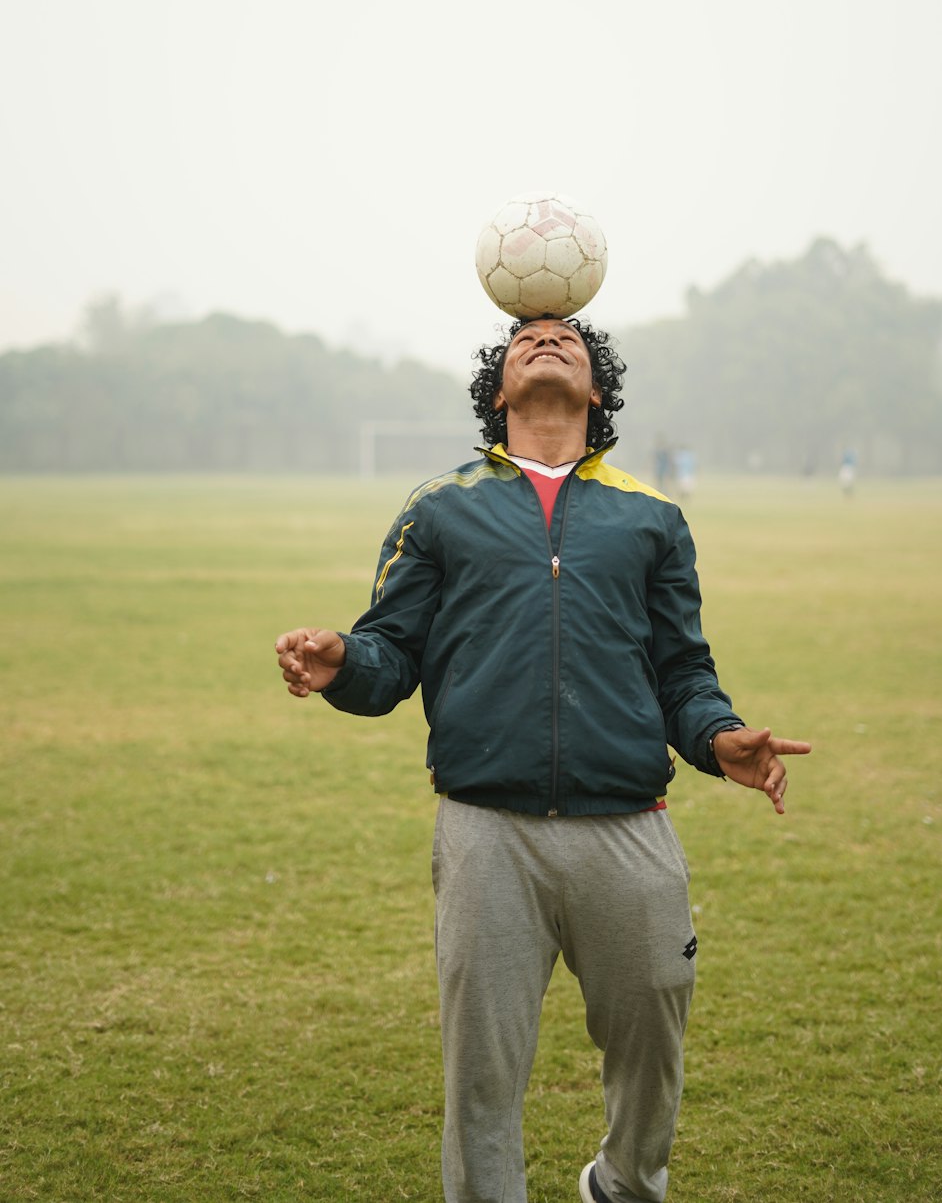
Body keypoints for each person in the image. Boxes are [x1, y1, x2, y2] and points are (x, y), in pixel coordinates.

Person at [276, 315, 811, 1203]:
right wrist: (342, 662)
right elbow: (389, 657)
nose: (547, 340)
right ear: (498, 392)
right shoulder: (439, 507)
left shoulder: (653, 517)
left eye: (569, 338)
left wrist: (722, 740)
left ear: (599, 390)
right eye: (525, 338)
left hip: (630, 826)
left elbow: (683, 674)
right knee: (481, 1072)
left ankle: (624, 1183)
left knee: (654, 1034)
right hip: (487, 831)